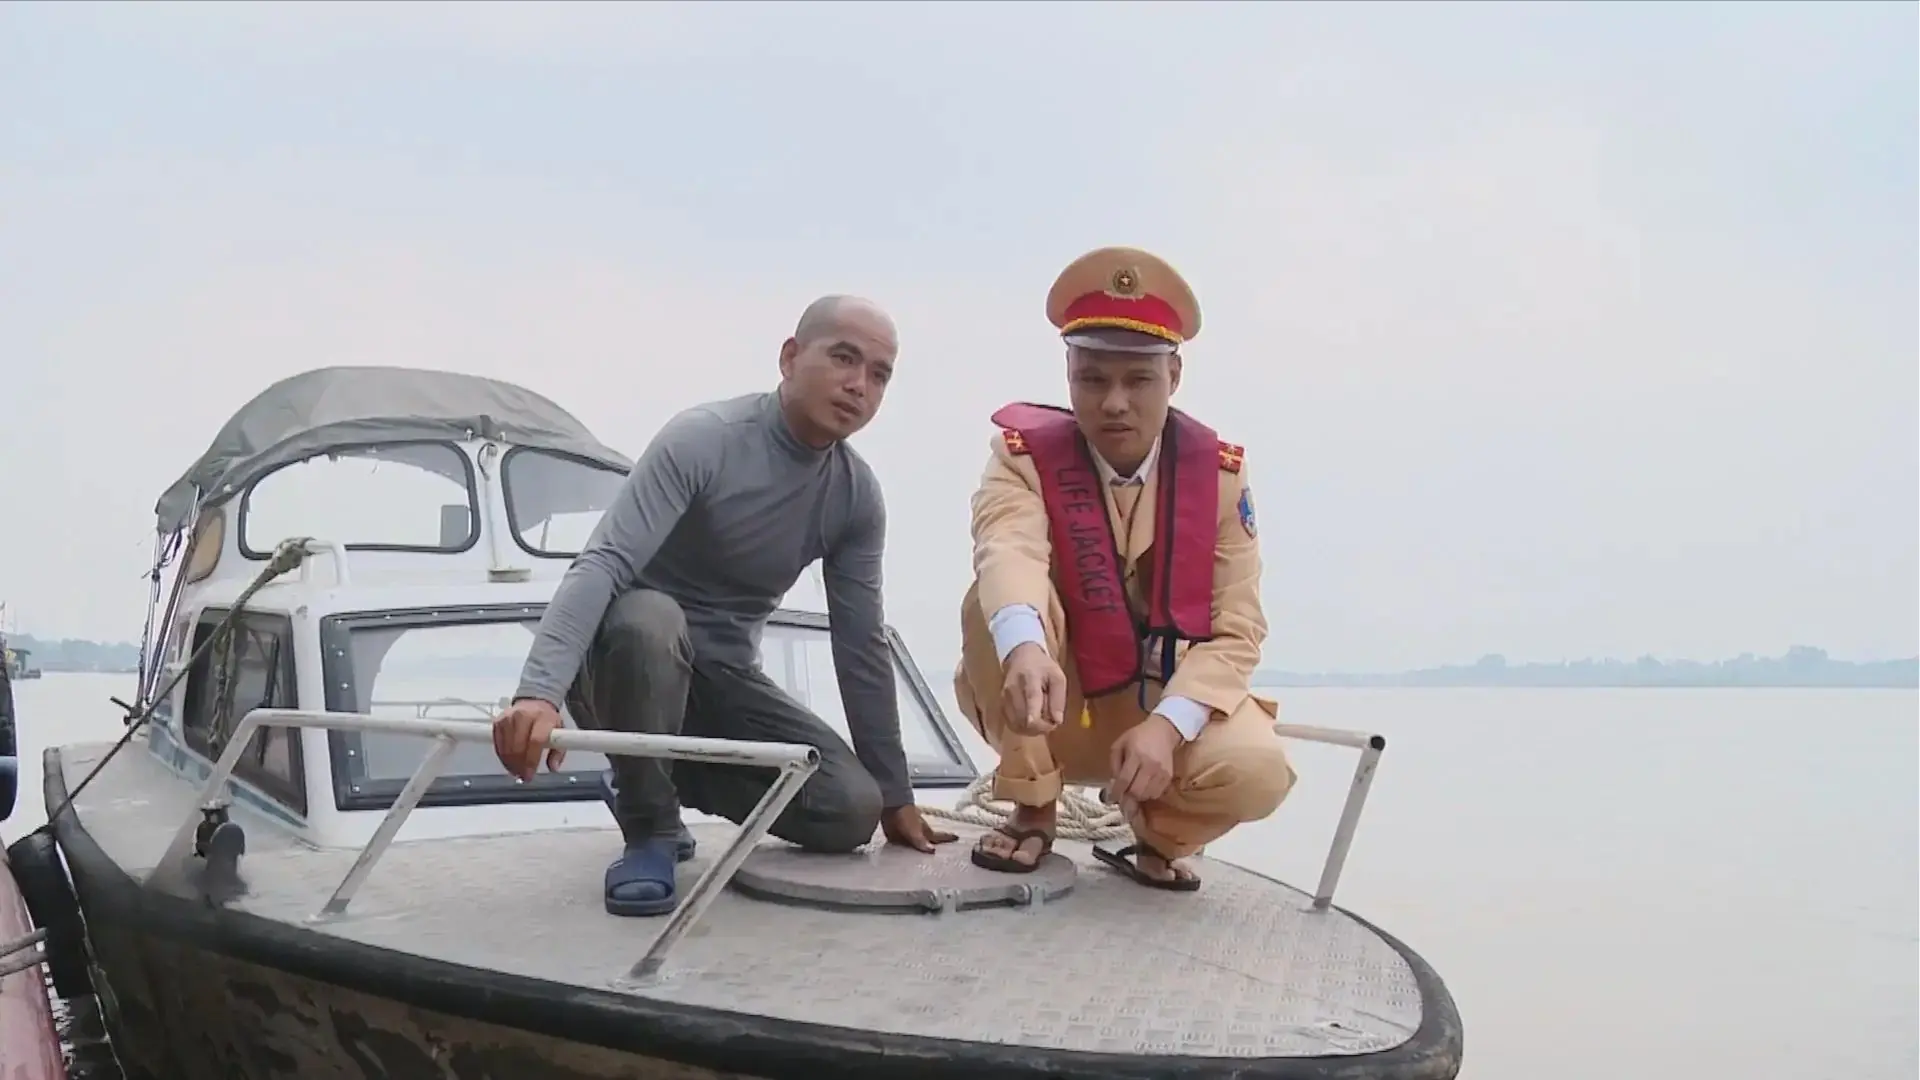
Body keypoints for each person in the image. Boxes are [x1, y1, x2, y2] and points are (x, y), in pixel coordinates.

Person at [493, 295, 957, 918]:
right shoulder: (704, 439)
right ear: (789, 358)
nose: (859, 385)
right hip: (623, 665)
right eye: (844, 358)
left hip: (723, 681)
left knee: (848, 809)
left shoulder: (855, 496)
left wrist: (895, 795)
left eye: (879, 375)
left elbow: (860, 644)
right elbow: (602, 562)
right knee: (651, 621)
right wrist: (538, 693)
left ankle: (642, 770)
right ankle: (650, 825)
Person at [952, 246, 1297, 892]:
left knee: (1260, 770)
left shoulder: (1220, 478)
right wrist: (1025, 648)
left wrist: (1167, 728)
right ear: (1068, 375)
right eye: (1092, 379)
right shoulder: (1021, 459)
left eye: (1138, 381)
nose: (1114, 403)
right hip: (1054, 704)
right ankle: (1032, 804)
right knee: (992, 606)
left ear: (1174, 375)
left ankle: (1158, 831)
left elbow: (1238, 630)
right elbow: (1008, 550)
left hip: (1161, 707)